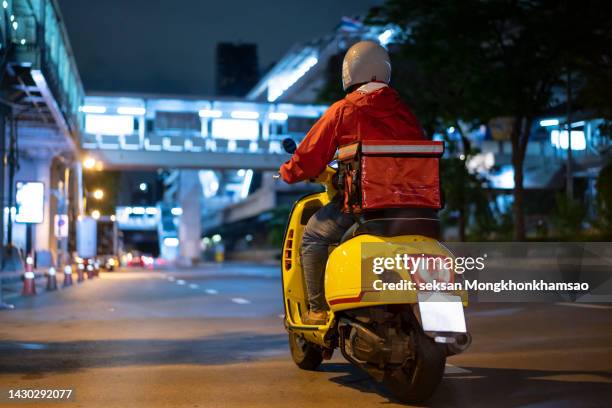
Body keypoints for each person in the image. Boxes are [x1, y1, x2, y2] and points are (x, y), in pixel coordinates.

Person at [279, 40, 425, 324]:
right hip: (410, 205)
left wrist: (288, 172)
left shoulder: (344, 110)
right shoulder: (405, 112)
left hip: (363, 205)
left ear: (349, 72)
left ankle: (317, 308)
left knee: (313, 237)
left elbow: (309, 158)